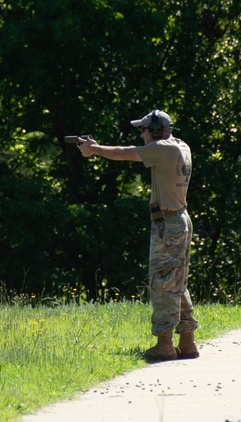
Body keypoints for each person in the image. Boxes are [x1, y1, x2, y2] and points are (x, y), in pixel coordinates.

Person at [78, 109, 199, 361]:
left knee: (163, 282)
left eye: (143, 130)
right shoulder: (181, 145)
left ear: (154, 131)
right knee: (177, 282)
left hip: (167, 222)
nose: (141, 135)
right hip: (180, 218)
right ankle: (187, 343)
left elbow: (125, 153)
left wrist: (95, 149)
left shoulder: (162, 148)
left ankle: (165, 345)